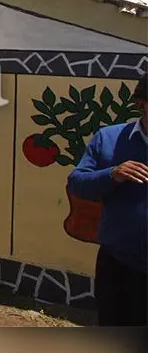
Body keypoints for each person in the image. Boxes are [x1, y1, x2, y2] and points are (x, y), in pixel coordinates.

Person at [67, 72, 147, 326]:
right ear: (142, 104)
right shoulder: (109, 139)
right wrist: (112, 174)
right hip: (119, 266)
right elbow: (77, 183)